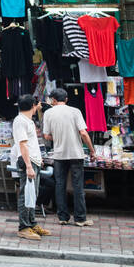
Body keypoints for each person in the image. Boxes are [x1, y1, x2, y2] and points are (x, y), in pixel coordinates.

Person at [42, 86, 95, 227]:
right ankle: (80, 219)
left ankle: (63, 217)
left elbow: (46, 136)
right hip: (76, 153)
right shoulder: (75, 111)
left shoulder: (48, 113)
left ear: (53, 100)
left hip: (59, 154)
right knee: (78, 186)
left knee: (60, 185)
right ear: (66, 99)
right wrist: (92, 150)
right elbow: (83, 133)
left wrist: (59, 137)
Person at [12, 93, 52, 240]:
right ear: (32, 106)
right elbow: (22, 144)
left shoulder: (27, 120)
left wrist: (37, 159)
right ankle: (23, 227)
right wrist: (29, 165)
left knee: (32, 194)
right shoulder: (20, 121)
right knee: (26, 195)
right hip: (27, 162)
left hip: (33, 161)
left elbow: (30, 144)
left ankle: (31, 223)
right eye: (36, 105)